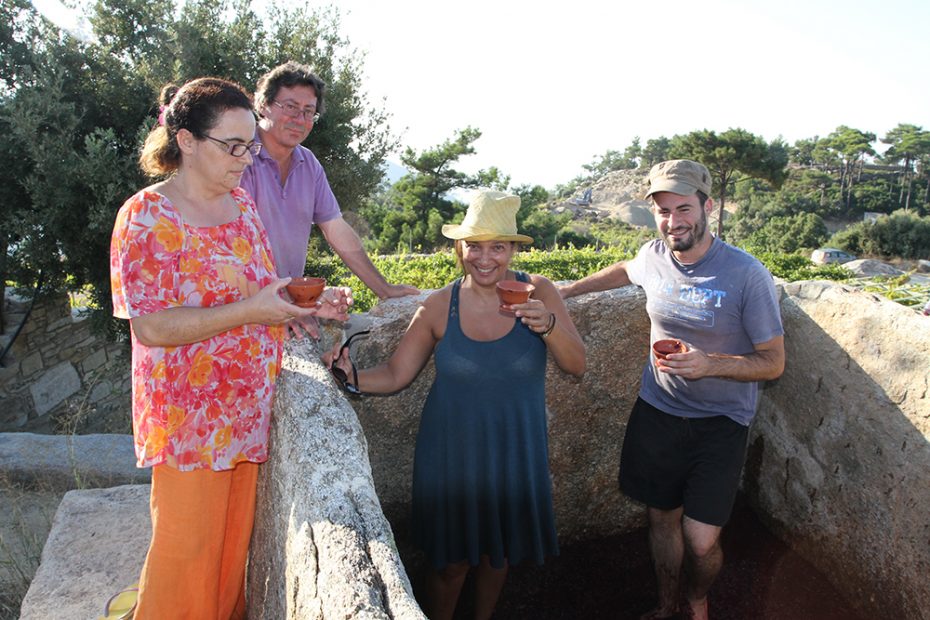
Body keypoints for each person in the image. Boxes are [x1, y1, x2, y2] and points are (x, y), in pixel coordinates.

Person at [109, 77, 350, 619]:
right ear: (188, 141)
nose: (247, 158)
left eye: (250, 146)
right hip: (188, 418)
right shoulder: (146, 216)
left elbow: (261, 290)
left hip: (245, 407)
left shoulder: (241, 206)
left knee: (228, 552)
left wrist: (310, 305)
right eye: (233, 146)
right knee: (186, 552)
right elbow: (152, 328)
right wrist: (252, 311)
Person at [324, 191, 586, 620]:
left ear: (513, 249)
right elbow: (395, 375)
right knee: (450, 566)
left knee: (496, 557)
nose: (485, 258)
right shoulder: (438, 305)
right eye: (474, 246)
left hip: (514, 450)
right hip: (451, 455)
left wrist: (550, 325)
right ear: (459, 249)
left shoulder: (539, 291)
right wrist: (346, 377)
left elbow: (576, 365)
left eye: (498, 246)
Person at [559, 160, 785, 620]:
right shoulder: (655, 255)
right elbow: (625, 269)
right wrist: (565, 291)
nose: (672, 220)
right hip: (658, 410)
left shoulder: (747, 274)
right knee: (661, 517)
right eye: (663, 211)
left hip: (721, 424)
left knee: (701, 542)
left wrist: (710, 364)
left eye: (683, 208)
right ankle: (665, 606)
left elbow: (773, 362)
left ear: (708, 206)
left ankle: (697, 600)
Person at [241, 61, 418, 337]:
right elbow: (231, 244)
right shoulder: (239, 156)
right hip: (244, 312)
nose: (299, 118)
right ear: (263, 105)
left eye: (308, 111)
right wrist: (276, 306)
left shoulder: (308, 164)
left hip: (287, 309)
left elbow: (337, 230)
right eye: (289, 107)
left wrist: (384, 289)